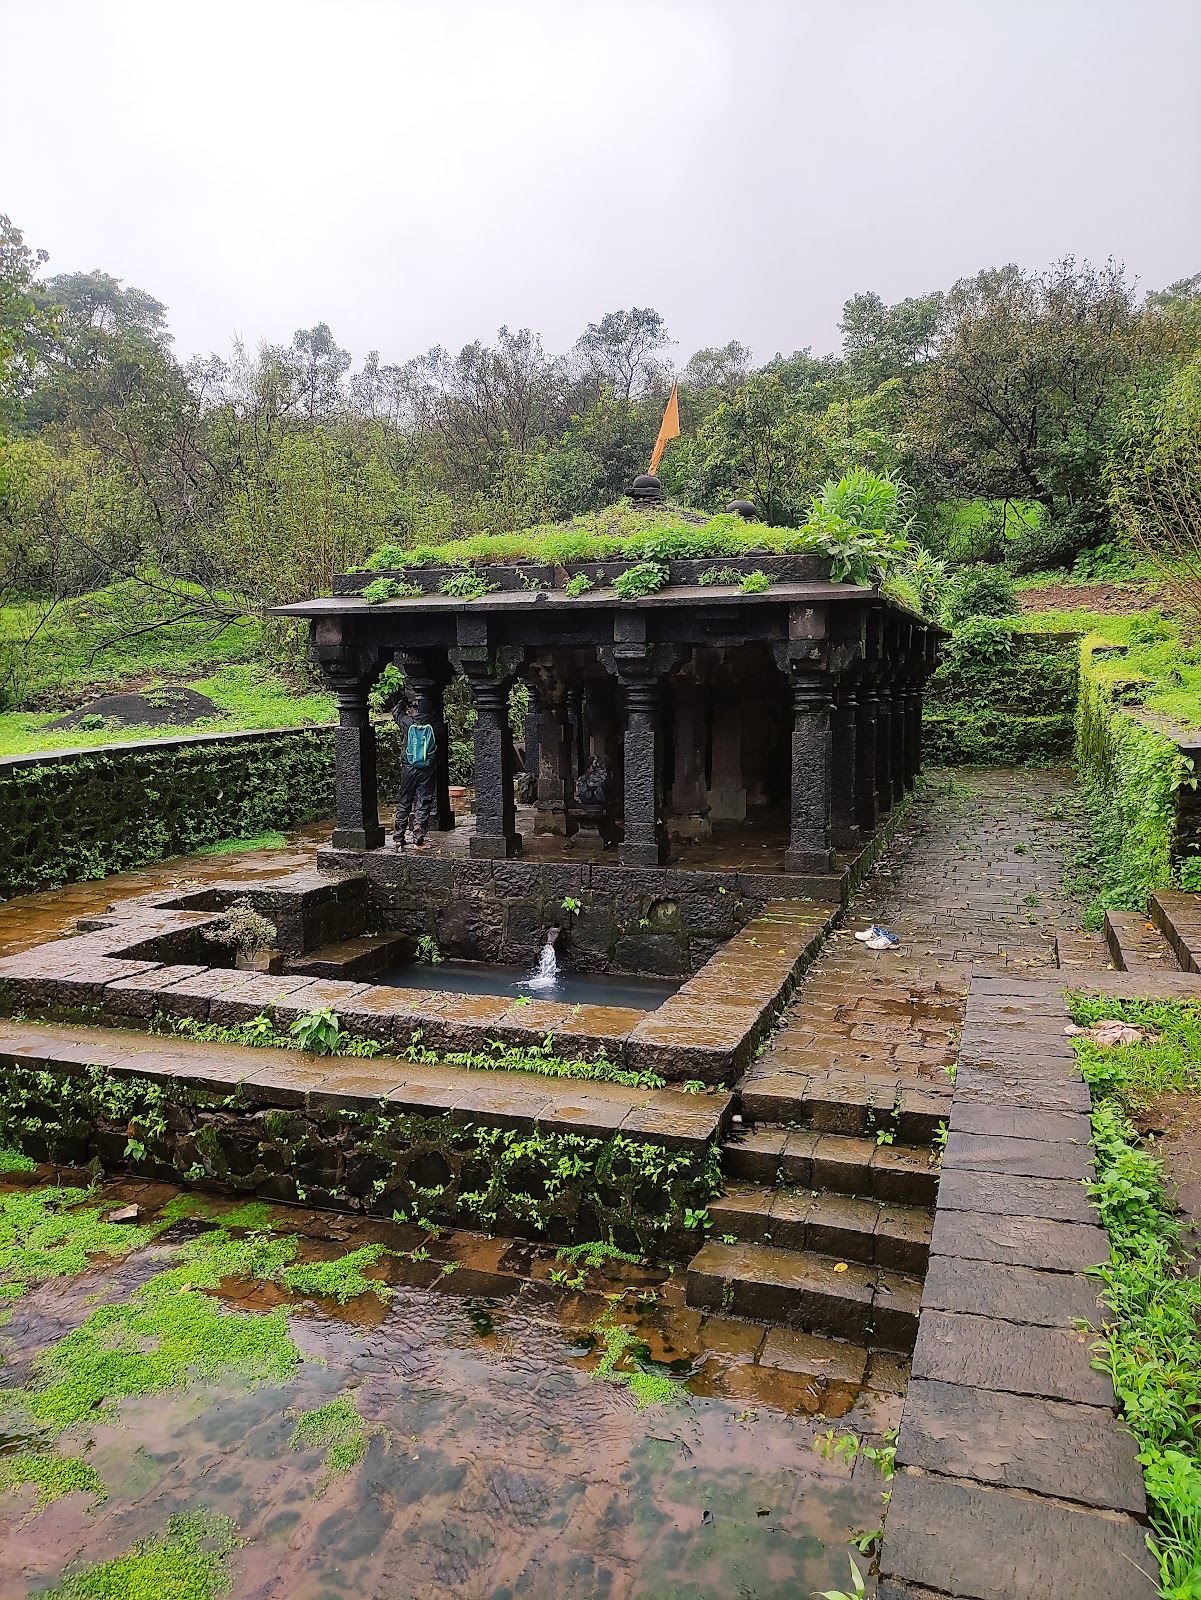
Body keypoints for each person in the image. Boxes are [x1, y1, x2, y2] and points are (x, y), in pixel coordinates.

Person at [392, 693, 438, 848]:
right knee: (424, 801)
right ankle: (418, 832)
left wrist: (404, 701)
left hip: (409, 768)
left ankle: (399, 837)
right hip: (427, 769)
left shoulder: (408, 722)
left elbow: (396, 713)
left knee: (405, 801)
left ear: (416, 710)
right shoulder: (435, 726)